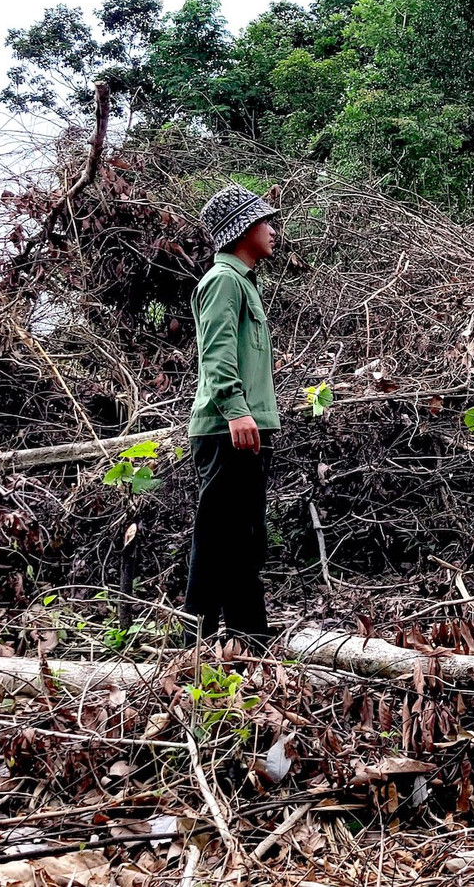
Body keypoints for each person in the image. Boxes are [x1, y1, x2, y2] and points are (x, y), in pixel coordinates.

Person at [184, 183, 281, 649]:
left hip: (248, 426)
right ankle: (193, 648)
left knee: (245, 539)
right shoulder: (222, 281)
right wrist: (237, 411)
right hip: (229, 428)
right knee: (219, 538)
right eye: (264, 222)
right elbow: (216, 354)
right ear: (242, 230)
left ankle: (251, 639)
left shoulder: (242, 283)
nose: (272, 229)